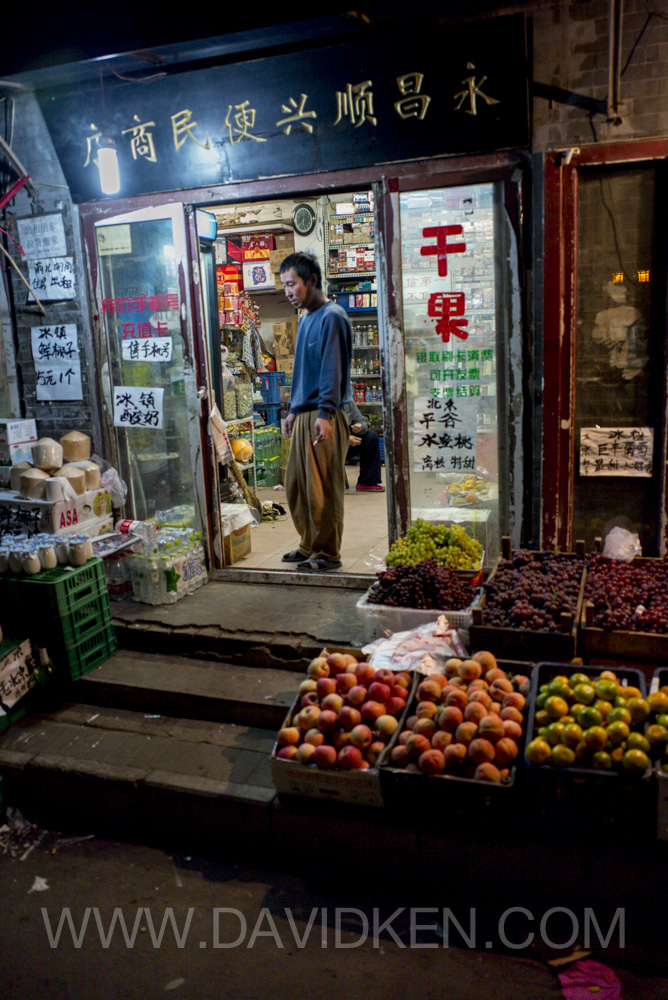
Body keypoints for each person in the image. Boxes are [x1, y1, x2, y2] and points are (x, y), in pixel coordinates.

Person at [279, 251, 353, 572]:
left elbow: (331, 370)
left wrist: (324, 413)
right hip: (306, 412)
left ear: (311, 280)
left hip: (326, 414)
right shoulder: (307, 318)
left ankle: (326, 554)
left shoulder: (332, 316)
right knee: (296, 486)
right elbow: (302, 371)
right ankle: (308, 544)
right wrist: (293, 410)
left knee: (323, 488)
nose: (288, 292)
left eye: (292, 284)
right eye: (284, 286)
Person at [342, 396, 384, 492]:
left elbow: (361, 420)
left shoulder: (347, 401)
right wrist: (344, 439)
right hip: (328, 447)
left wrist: (360, 427)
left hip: (346, 444)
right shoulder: (322, 403)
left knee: (371, 437)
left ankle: (367, 482)